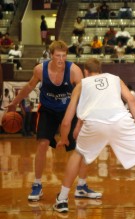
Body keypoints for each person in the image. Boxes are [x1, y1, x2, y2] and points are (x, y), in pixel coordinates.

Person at [53, 58, 135, 214]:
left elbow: (66, 120)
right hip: (121, 121)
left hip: (94, 124)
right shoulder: (115, 79)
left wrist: (64, 138)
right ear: (101, 69)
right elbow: (131, 100)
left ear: (85, 72)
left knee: (78, 155)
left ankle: (62, 200)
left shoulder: (81, 85)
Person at [7, 40, 102, 202]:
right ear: (51, 56)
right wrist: (15, 102)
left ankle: (82, 186)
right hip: (48, 110)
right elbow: (29, 87)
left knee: (81, 147)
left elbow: (85, 94)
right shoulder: (40, 70)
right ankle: (37, 184)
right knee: (42, 143)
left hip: (68, 110)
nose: (61, 59)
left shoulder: (74, 70)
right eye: (58, 56)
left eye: (64, 56)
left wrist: (87, 114)